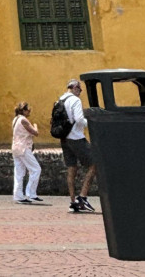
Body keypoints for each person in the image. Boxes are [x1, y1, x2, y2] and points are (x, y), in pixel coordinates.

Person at [59, 79, 97, 212]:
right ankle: (83, 197)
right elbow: (79, 119)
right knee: (95, 163)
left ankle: (73, 200)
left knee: (71, 168)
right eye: (80, 90)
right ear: (75, 87)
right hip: (76, 137)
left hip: (64, 139)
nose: (80, 93)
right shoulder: (75, 100)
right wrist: (91, 124)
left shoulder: (60, 100)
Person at [11, 101, 42, 204]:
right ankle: (30, 193)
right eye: (28, 109)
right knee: (36, 169)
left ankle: (18, 195)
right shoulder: (24, 120)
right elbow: (35, 133)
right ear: (24, 111)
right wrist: (35, 125)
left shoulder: (15, 119)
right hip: (23, 148)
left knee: (19, 173)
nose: (30, 111)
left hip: (16, 148)